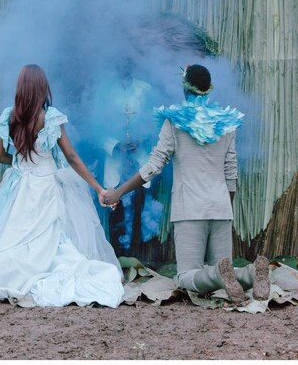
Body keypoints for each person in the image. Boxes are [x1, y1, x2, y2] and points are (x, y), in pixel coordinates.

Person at [0, 64, 124, 308]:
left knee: (13, 234)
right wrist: (98, 188)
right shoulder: (49, 117)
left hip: (19, 185)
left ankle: (9, 273)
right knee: (54, 237)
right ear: (42, 88)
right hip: (47, 184)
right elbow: (71, 157)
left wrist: (20, 162)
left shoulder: (10, 117)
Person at [102, 64, 270, 304]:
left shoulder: (175, 122)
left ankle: (216, 273)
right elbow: (231, 171)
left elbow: (154, 165)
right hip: (221, 207)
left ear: (185, 89)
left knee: (185, 278)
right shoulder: (227, 122)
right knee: (226, 270)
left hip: (190, 209)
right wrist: (225, 206)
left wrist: (118, 191)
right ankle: (252, 273)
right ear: (208, 90)